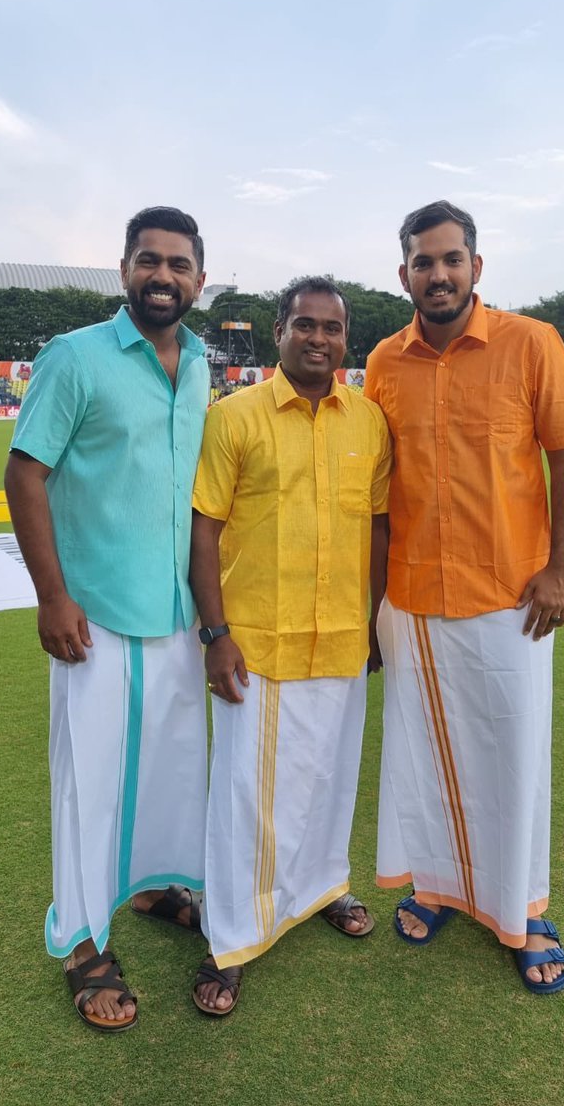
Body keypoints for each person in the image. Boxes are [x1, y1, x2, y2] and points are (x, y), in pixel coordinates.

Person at [365, 201, 564, 994]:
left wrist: (561, 570)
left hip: (511, 596)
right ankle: (435, 885)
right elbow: (378, 491)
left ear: (476, 266)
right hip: (413, 599)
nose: (438, 274)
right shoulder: (382, 364)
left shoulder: (532, 345)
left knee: (514, 754)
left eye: (451, 259)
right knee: (424, 754)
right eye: (423, 262)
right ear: (404, 274)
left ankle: (523, 909)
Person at [4, 206, 211, 1032]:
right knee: (89, 780)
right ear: (124, 268)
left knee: (167, 765)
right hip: (91, 617)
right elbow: (25, 474)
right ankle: (83, 941)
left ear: (200, 277)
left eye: (180, 265)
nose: (164, 277)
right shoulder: (75, 356)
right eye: (149, 261)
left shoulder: (199, 366)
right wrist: (52, 596)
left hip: (176, 614)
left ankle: (157, 887)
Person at [189, 276, 392, 1015]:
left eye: (331, 329)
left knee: (331, 780)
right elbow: (203, 528)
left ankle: (323, 888)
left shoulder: (368, 421)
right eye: (303, 325)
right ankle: (230, 936)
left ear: (346, 339)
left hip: (341, 636)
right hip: (255, 639)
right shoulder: (234, 416)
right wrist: (215, 635)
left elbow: (377, 525)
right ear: (277, 332)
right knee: (245, 797)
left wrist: (373, 622)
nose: (317, 339)